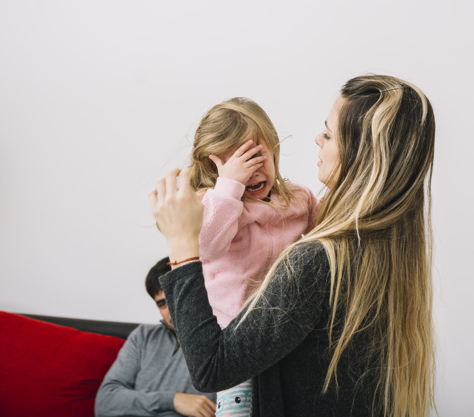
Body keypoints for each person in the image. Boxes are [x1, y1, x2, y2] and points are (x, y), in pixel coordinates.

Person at [149, 75, 436, 417]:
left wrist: (180, 242)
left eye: (328, 133)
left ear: (359, 153)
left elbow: (211, 368)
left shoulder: (317, 257)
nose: (318, 138)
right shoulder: (378, 245)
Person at [185, 97, 317, 414]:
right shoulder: (214, 204)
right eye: (237, 164)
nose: (251, 173)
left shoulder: (299, 198)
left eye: (257, 157)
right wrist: (228, 186)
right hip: (235, 339)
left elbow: (322, 245)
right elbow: (208, 246)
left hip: (285, 329)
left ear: (274, 151)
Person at [95, 257, 216, 417]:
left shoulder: (219, 342)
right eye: (162, 303)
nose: (170, 310)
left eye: (176, 297)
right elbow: (105, 403)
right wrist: (173, 400)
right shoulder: (142, 337)